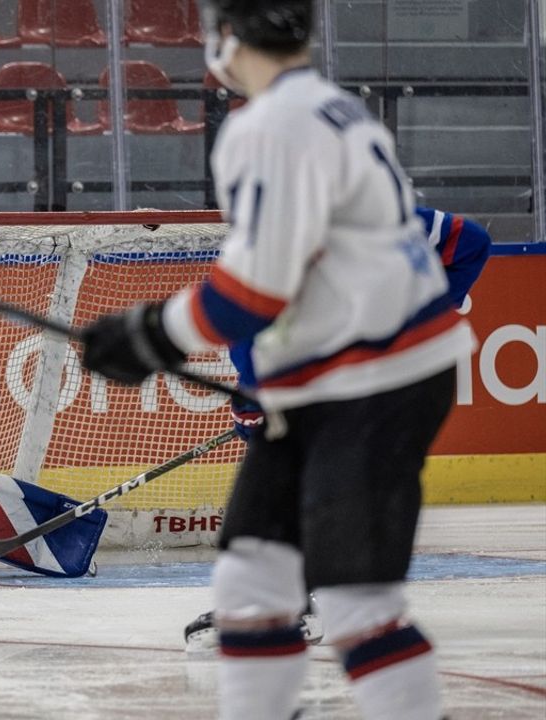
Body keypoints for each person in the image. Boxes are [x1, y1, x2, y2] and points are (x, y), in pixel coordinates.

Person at [80, 2, 474, 718]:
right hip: (338, 382)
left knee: (358, 602)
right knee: (252, 582)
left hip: (369, 384)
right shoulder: (333, 108)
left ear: (225, 39)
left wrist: (150, 336)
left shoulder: (268, 126)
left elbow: (257, 287)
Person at [186, 203, 492, 649]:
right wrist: (254, 398)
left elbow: (470, 244)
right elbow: (252, 333)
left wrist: (420, 314)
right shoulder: (268, 247)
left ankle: (302, 604)